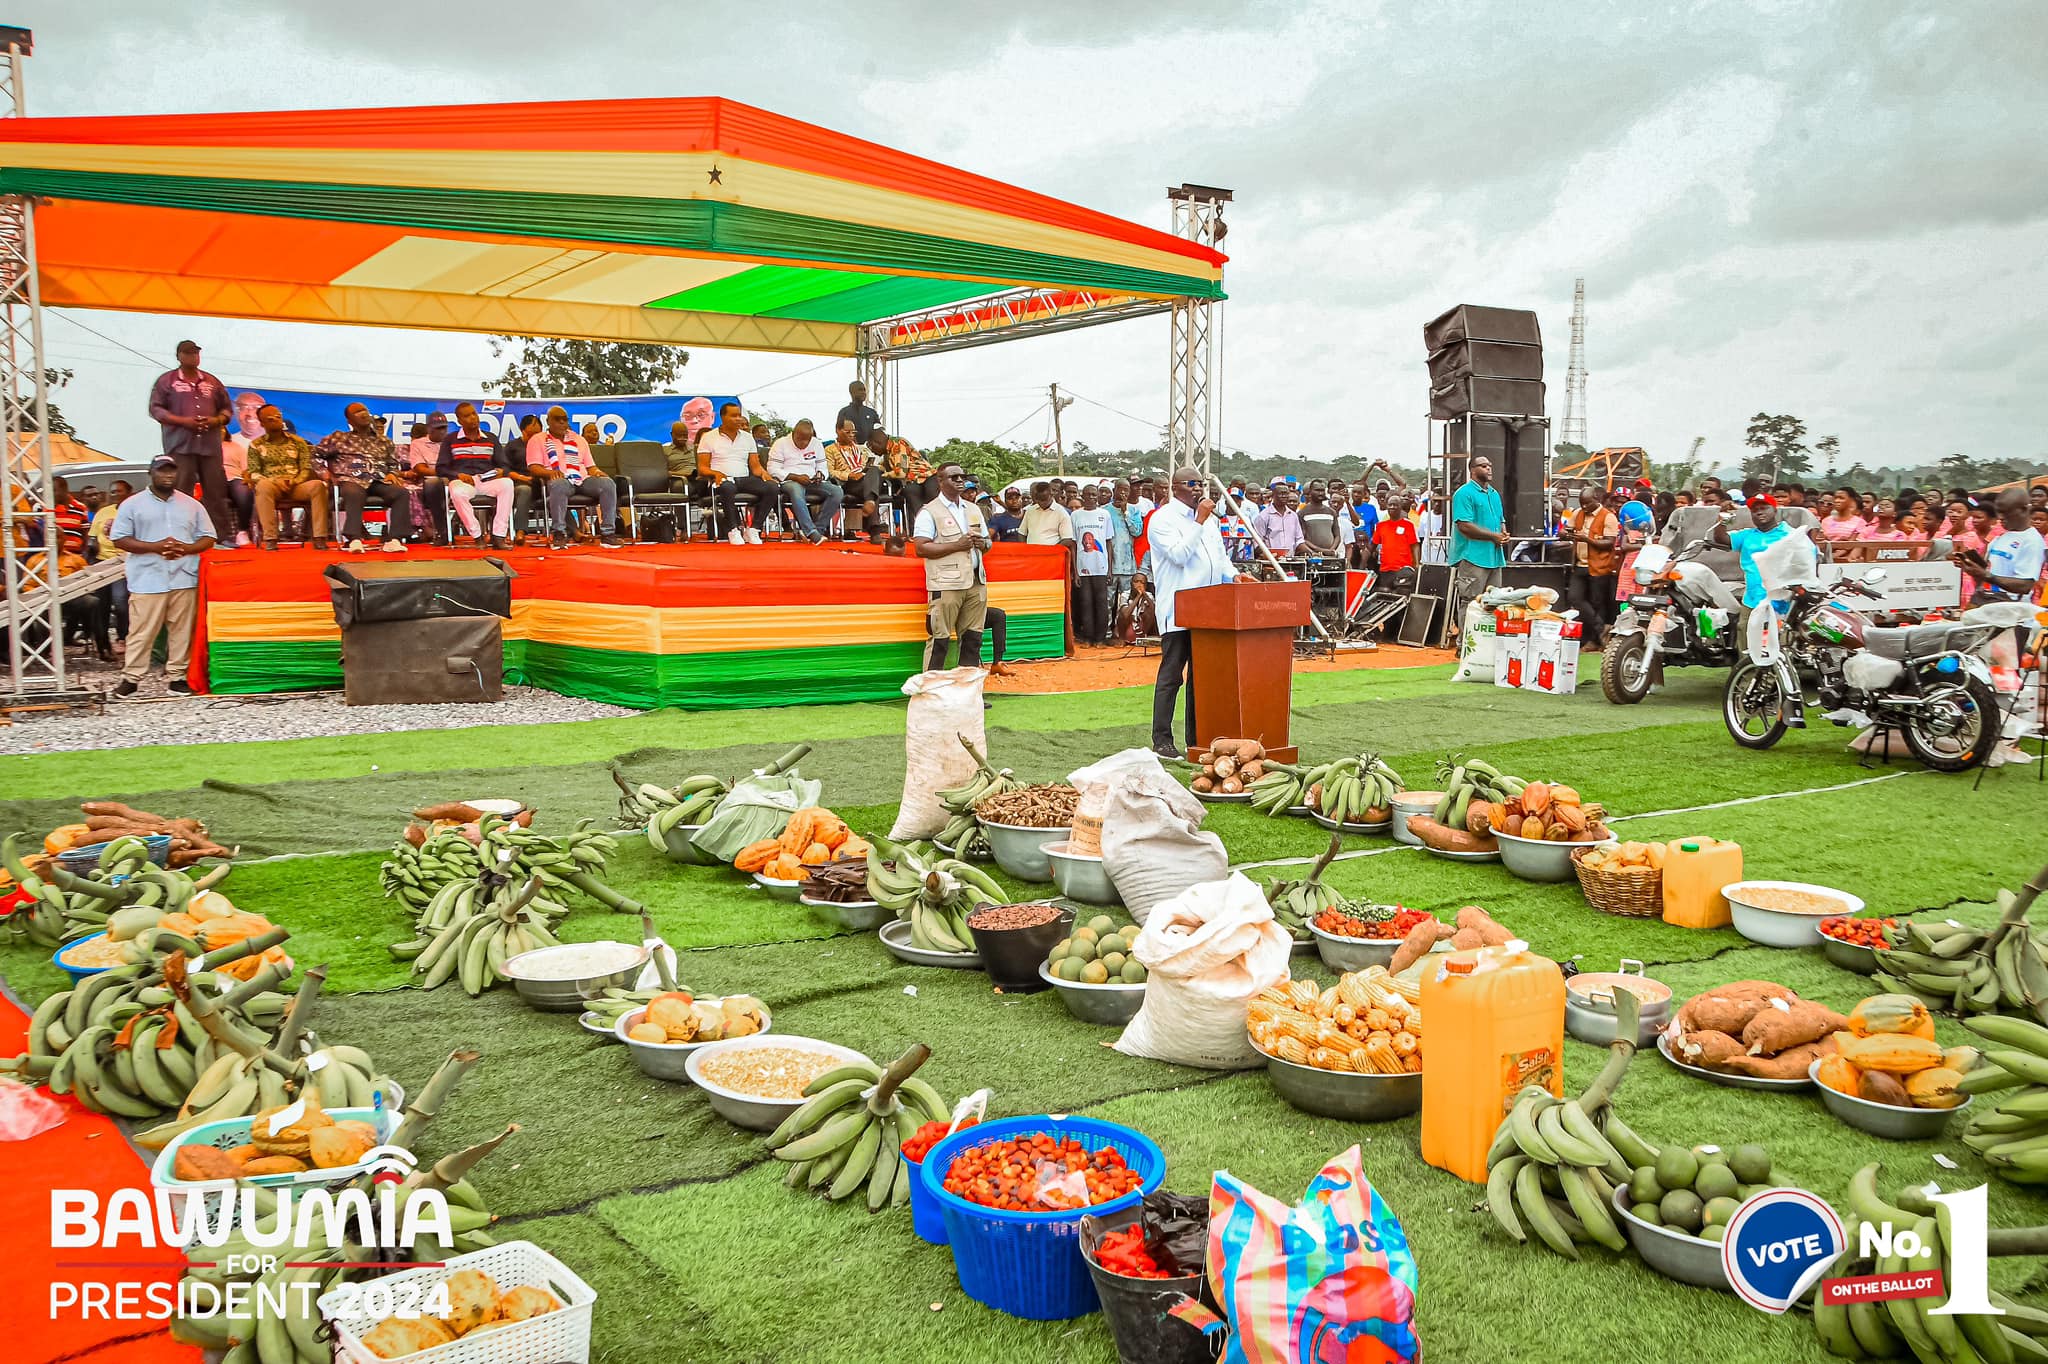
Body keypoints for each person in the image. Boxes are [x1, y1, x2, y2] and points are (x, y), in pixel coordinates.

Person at [1149, 467, 1249, 757]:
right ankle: (1162, 740)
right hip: (1179, 608)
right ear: (1176, 486)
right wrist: (1199, 521)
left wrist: (1234, 576)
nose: (1198, 489)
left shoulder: (1208, 523)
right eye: (1192, 484)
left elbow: (1218, 557)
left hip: (1210, 610)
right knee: (1172, 675)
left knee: (1202, 677)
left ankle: (1197, 738)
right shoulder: (1162, 519)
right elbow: (1179, 556)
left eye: (1200, 484)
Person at [108, 457, 216, 697]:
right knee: (141, 630)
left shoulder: (191, 504)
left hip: (183, 575)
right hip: (148, 577)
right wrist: (154, 547)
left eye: (171, 471)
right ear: (151, 473)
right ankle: (131, 678)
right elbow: (119, 538)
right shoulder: (132, 504)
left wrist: (185, 549)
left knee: (181, 629)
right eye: (162, 471)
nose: (167, 476)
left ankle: (177, 677)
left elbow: (209, 536)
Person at [147, 340, 235, 541]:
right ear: (178, 356)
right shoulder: (166, 381)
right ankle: (181, 535)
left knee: (216, 492)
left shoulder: (212, 381)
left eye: (196, 353)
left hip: (210, 446)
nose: (193, 356)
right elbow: (156, 409)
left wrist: (216, 420)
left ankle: (220, 537)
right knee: (181, 492)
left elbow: (227, 409)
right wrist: (183, 421)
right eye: (188, 353)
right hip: (180, 445)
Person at [912, 462, 991, 670]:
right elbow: (920, 548)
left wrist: (984, 544)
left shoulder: (973, 509)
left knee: (973, 640)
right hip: (946, 584)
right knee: (940, 640)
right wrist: (956, 545)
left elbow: (987, 542)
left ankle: (968, 695)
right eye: (953, 477)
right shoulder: (929, 512)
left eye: (961, 477)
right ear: (940, 481)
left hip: (976, 581)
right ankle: (930, 693)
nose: (959, 481)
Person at [317, 402, 414, 552]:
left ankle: (394, 539)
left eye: (364, 410)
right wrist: (324, 472)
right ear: (349, 421)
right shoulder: (338, 438)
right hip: (351, 479)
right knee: (354, 492)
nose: (363, 413)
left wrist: (392, 473)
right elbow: (315, 455)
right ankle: (354, 539)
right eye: (357, 412)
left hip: (378, 480)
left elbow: (393, 463)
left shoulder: (384, 441)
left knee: (401, 493)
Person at [527, 405, 624, 548]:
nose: (561, 423)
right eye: (557, 419)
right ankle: (559, 533)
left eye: (564, 420)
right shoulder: (538, 440)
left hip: (582, 479)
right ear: (548, 421)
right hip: (560, 480)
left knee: (607, 483)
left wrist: (598, 472)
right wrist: (550, 473)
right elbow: (533, 467)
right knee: (558, 485)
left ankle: (608, 534)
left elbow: (590, 467)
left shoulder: (579, 440)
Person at [244, 404, 332, 550]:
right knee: (262, 486)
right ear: (262, 423)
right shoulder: (256, 445)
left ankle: (319, 537)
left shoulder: (298, 442)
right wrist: (275, 481)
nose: (276, 420)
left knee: (317, 485)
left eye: (278, 417)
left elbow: (305, 468)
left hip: (296, 484)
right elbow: (253, 472)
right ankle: (270, 538)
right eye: (270, 419)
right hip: (272, 486)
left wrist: (295, 481)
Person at [437, 401, 523, 547]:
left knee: (507, 484)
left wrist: (501, 471)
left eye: (474, 414)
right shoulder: (450, 440)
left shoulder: (490, 438)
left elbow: (504, 464)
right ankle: (477, 535)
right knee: (456, 492)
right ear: (459, 421)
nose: (473, 418)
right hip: (464, 481)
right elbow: (441, 468)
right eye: (467, 416)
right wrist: (458, 475)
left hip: (487, 480)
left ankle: (498, 536)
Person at [1449, 454, 1508, 624]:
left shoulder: (1494, 493)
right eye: (1483, 466)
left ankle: (1485, 645)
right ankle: (1464, 645)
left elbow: (1500, 519)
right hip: (1473, 557)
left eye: (1489, 464)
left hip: (1494, 558)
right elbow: (1464, 526)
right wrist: (1493, 536)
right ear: (1472, 470)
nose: (1488, 468)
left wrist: (1503, 533)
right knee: (1471, 602)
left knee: (1493, 602)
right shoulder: (1464, 493)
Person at [766, 418, 843, 544]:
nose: (804, 443)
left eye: (807, 440)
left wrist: (820, 474)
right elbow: (772, 469)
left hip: (812, 481)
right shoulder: (781, 444)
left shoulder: (816, 443)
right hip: (789, 481)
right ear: (794, 433)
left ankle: (817, 529)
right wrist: (795, 477)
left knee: (837, 492)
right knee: (796, 490)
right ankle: (811, 532)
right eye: (801, 439)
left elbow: (823, 467)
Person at [695, 401, 762, 544]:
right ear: (723, 417)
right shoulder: (708, 437)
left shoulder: (748, 437)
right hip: (721, 480)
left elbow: (756, 467)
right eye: (734, 416)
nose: (738, 419)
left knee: (771, 488)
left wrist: (766, 475)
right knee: (727, 487)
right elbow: (702, 468)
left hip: (743, 479)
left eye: (739, 415)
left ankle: (754, 529)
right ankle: (733, 530)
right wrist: (717, 473)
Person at [1562, 485, 1619, 643]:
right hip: (1580, 564)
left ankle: (1593, 640)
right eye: (1582, 503)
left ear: (1597, 500)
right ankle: (1600, 628)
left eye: (1587, 503)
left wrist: (1587, 539)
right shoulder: (1577, 513)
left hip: (1599, 566)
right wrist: (1565, 533)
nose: (1584, 507)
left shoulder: (1608, 517)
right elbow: (1567, 529)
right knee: (1574, 598)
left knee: (1597, 602)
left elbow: (1609, 543)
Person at [824, 416, 883, 540]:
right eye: (848, 432)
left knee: (874, 470)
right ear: (838, 430)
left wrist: (866, 468)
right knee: (872, 490)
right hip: (846, 483)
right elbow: (829, 472)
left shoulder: (859, 449)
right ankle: (874, 530)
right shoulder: (830, 450)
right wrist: (849, 475)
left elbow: (865, 465)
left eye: (853, 432)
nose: (851, 435)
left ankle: (870, 502)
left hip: (863, 480)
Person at [89, 479, 132, 636]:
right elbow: (92, 536)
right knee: (101, 604)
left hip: (122, 562)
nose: (115, 494)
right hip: (102, 561)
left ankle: (123, 636)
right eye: (112, 491)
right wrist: (92, 547)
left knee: (120, 601)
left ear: (129, 492)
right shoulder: (103, 512)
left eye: (119, 491)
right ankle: (103, 641)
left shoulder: (133, 511)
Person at [1070, 483, 1112, 646]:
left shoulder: (1104, 514)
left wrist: (1109, 569)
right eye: (1088, 494)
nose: (1091, 498)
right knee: (1085, 602)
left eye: (1094, 495)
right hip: (1082, 566)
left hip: (1100, 566)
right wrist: (1075, 571)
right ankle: (1087, 637)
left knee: (1101, 602)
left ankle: (1100, 638)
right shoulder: (1076, 515)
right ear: (1083, 495)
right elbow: (1073, 544)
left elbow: (1108, 542)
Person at [874, 427, 937, 525]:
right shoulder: (887, 454)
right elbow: (883, 467)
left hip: (927, 477)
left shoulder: (898, 443)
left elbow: (901, 472)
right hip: (913, 481)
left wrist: (884, 475)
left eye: (871, 447)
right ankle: (920, 528)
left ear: (877, 442)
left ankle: (941, 527)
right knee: (909, 492)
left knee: (934, 501)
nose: (872, 451)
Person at [1106, 480, 1143, 628]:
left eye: (1126, 490)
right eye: (1120, 490)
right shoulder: (1104, 510)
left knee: (1125, 602)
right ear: (1114, 490)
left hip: (1128, 565)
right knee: (1108, 602)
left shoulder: (1134, 510)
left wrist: (1125, 512)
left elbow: (1137, 531)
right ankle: (1107, 632)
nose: (1123, 493)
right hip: (1110, 565)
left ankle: (1121, 631)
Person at [1371, 492, 1420, 594]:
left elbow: (1415, 546)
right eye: (1390, 505)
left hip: (1403, 569)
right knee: (1386, 598)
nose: (1392, 507)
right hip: (1385, 569)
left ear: (1400, 506)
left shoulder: (1408, 525)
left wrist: (1416, 564)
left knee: (1402, 597)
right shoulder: (1381, 526)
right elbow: (1373, 545)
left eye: (1395, 505)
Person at [1252, 485, 1304, 556]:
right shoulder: (1263, 516)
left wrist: (1311, 553)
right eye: (1280, 493)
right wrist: (1267, 555)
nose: (1283, 496)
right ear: (1273, 496)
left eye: (1286, 494)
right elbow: (1257, 542)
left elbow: (1299, 540)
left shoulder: (1293, 516)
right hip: (1271, 561)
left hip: (1290, 560)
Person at [1022, 481, 1075, 549]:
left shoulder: (1061, 512)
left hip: (1051, 555)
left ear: (1051, 495)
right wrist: (1025, 548)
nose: (1041, 503)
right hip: (1031, 555)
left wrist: (1050, 550)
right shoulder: (1030, 510)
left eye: (1044, 499)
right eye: (1039, 499)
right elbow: (1022, 533)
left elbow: (1067, 539)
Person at [1298, 484, 1343, 557]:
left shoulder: (1331, 512)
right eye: (1317, 490)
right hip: (1312, 555)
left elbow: (1337, 536)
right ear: (1310, 492)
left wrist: (1331, 550)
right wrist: (1319, 550)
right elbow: (1302, 538)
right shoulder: (1302, 513)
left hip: (1331, 555)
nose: (1320, 493)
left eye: (1322, 491)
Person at [664, 420, 698, 494]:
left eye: (685, 435)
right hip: (680, 479)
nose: (683, 438)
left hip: (698, 478)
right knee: (681, 487)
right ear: (672, 434)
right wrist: (685, 474)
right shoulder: (665, 451)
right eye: (679, 435)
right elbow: (664, 473)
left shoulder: (694, 449)